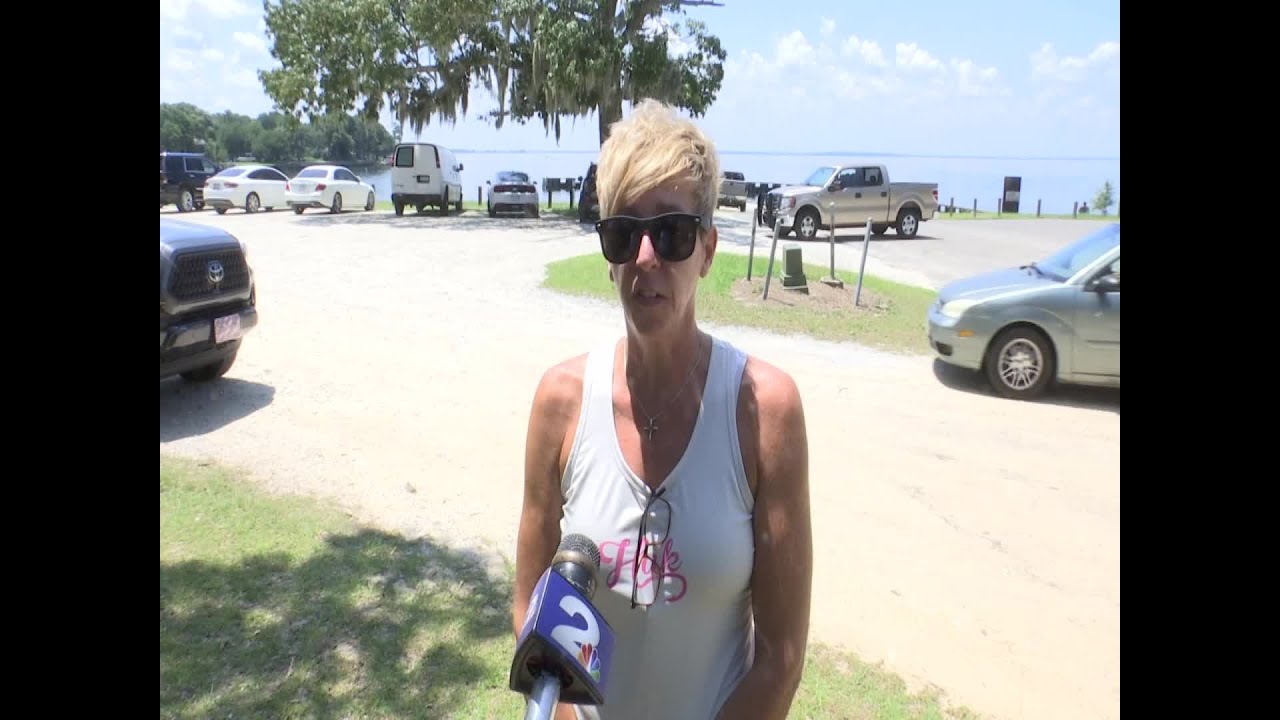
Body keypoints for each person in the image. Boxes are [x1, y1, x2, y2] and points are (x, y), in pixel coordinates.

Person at [513, 98, 813, 720]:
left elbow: (780, 657)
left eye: (671, 233)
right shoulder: (561, 403)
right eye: (625, 233)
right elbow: (530, 608)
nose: (646, 258)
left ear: (706, 249)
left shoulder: (764, 411)